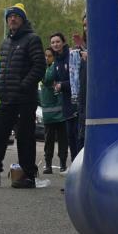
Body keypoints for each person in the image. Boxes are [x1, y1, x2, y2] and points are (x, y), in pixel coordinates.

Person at [0, 3, 44, 188]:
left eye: (16, 16)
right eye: (10, 17)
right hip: (6, 98)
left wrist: (23, 86)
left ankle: (28, 175)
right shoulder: (6, 43)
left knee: (25, 137)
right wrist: (0, 87)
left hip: (24, 99)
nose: (12, 19)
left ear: (23, 20)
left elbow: (39, 66)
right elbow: (2, 69)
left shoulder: (32, 39)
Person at [48, 32, 77, 168]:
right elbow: (49, 79)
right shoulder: (56, 60)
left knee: (77, 136)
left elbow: (76, 79)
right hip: (66, 103)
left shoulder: (71, 56)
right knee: (70, 136)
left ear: (63, 42)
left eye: (58, 41)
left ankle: (78, 165)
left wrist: (62, 85)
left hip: (76, 103)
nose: (55, 44)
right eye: (53, 42)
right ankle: (74, 166)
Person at [39, 48, 67, 174]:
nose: (46, 58)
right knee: (48, 140)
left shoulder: (54, 68)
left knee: (62, 139)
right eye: (45, 56)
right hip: (48, 112)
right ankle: (48, 164)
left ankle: (63, 164)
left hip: (60, 112)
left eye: (49, 56)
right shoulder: (46, 68)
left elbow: (47, 79)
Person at [69, 12, 88, 154]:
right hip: (83, 96)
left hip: (94, 97)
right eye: (84, 25)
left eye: (89, 24)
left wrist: (91, 56)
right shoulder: (81, 49)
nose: (86, 28)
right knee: (80, 133)